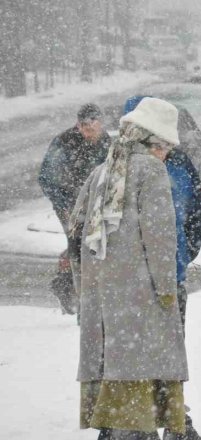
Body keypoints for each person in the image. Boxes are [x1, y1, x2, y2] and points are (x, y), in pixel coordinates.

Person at [69, 97, 188, 440]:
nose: (166, 154)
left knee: (115, 388)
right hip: (140, 301)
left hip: (103, 306)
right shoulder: (150, 170)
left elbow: (78, 236)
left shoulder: (103, 171)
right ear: (154, 142)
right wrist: (167, 291)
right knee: (140, 391)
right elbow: (161, 240)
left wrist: (85, 292)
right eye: (166, 146)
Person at [123, 96, 201, 440]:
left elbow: (196, 212)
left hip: (172, 279)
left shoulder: (180, 162)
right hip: (133, 284)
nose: (164, 147)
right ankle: (132, 425)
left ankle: (176, 421)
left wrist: (183, 255)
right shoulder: (120, 167)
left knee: (172, 355)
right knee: (133, 358)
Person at [38, 103, 111, 314]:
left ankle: (94, 298)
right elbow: (46, 178)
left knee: (100, 247)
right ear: (78, 125)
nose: (89, 133)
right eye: (85, 128)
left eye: (93, 128)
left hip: (98, 207)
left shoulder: (107, 142)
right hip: (70, 208)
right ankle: (75, 295)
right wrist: (64, 206)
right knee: (79, 248)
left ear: (101, 124)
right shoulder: (64, 143)